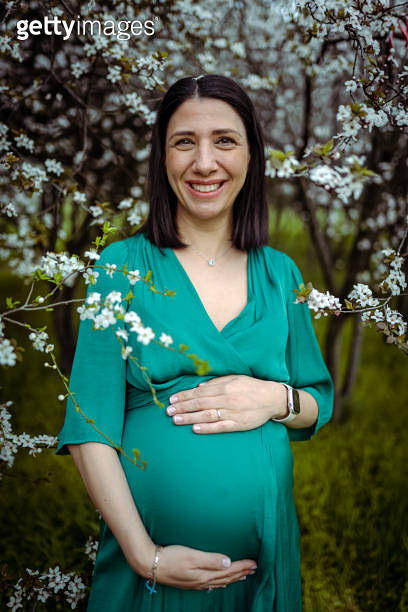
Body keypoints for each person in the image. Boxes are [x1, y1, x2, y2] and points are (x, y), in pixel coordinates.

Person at [55, 74, 334, 611]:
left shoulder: (281, 275)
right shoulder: (121, 269)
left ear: (252, 154)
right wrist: (146, 556)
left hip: (262, 567)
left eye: (224, 140)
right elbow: (89, 424)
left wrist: (275, 399)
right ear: (162, 157)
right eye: (185, 142)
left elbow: (315, 403)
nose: (204, 162)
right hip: (152, 576)